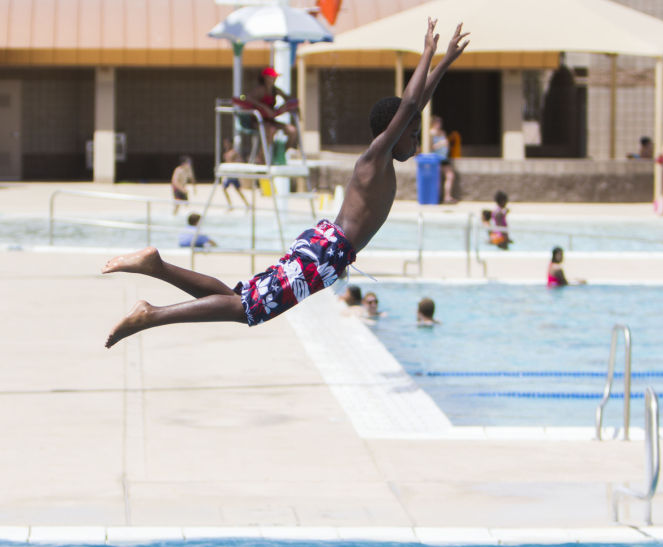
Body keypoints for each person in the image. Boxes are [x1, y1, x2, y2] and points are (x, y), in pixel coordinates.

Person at [102, 19, 468, 349]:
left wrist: (445, 62)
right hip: (326, 252)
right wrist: (428, 55)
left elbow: (413, 107)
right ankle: (152, 314)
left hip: (326, 249)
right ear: (396, 133)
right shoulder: (375, 158)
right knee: (249, 309)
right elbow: (408, 106)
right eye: (413, 136)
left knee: (241, 297)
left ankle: (156, 267)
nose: (416, 144)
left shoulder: (381, 162)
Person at [247, 66, 299, 156]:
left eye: (275, 77)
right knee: (271, 130)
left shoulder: (275, 90)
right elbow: (248, 99)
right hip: (258, 120)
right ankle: (262, 157)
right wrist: (264, 107)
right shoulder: (260, 90)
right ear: (266, 78)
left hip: (270, 120)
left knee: (292, 131)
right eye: (272, 77)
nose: (274, 79)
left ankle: (279, 154)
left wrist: (284, 107)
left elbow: (288, 98)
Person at [430, 115, 457, 204]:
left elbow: (447, 144)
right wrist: (440, 144)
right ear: (433, 123)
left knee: (450, 176)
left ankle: (447, 196)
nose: (439, 124)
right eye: (437, 122)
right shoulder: (431, 133)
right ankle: (437, 197)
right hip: (436, 159)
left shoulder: (442, 132)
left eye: (440, 122)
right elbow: (429, 148)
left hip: (444, 158)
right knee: (437, 178)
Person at [221, 139, 250, 210]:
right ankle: (230, 205)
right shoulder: (226, 152)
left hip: (233, 174)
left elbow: (240, 160)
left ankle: (247, 204)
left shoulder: (234, 152)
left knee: (238, 190)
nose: (226, 145)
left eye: (227, 143)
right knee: (225, 189)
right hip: (228, 174)